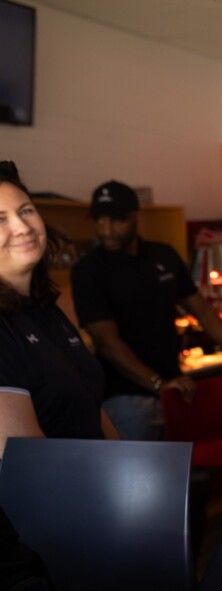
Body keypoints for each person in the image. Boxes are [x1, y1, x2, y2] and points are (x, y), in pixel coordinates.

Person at [71, 180, 222, 440]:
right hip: (126, 397)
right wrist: (157, 383)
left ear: (136, 217)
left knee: (185, 474)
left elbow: (202, 311)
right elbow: (106, 341)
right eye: (99, 221)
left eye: (116, 221)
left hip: (176, 389)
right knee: (136, 478)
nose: (107, 230)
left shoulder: (163, 256)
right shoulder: (88, 271)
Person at [0, 161, 118, 455]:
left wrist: (125, 470)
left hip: (96, 486)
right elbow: (24, 463)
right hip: (57, 498)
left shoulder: (45, 309)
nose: (22, 227)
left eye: (26, 211)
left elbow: (90, 407)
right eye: (0, 219)